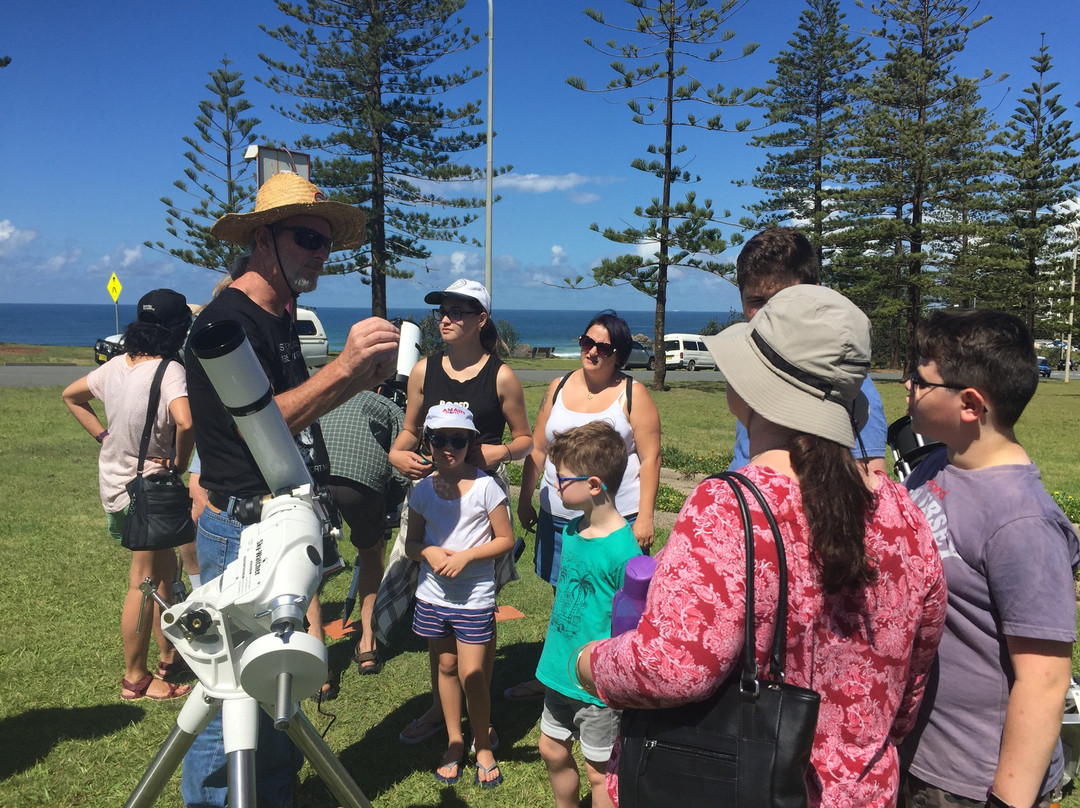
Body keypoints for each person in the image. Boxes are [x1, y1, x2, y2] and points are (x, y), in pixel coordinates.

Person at [577, 284, 947, 807]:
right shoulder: (905, 514)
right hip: (865, 791)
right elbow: (912, 679)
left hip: (736, 785)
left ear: (754, 388)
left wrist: (594, 662)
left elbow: (674, 667)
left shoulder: (728, 508)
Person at [180, 171, 400, 808]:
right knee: (228, 707)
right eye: (307, 238)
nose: (321, 255)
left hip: (274, 525)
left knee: (275, 686)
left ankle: (271, 794)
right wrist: (347, 370)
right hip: (241, 533)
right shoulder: (227, 323)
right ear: (260, 239)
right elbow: (260, 430)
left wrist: (354, 383)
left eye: (327, 243)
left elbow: (287, 418)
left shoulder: (280, 317)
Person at [899, 309, 1080, 808]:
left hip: (972, 784)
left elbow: (1045, 679)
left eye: (921, 378)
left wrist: (1008, 800)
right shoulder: (936, 465)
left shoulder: (1022, 523)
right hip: (917, 754)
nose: (907, 386)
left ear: (971, 404)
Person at [381, 277, 532, 744]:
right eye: (442, 310)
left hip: (485, 500)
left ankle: (478, 710)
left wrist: (499, 453)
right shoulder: (426, 370)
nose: (446, 318)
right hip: (433, 496)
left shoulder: (501, 375)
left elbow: (526, 440)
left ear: (481, 319)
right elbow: (408, 431)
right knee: (434, 600)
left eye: (459, 311)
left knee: (479, 605)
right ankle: (439, 706)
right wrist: (395, 454)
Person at [510, 309, 661, 701]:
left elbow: (650, 457)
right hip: (559, 517)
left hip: (613, 522)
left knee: (613, 606)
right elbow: (540, 448)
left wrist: (644, 518)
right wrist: (526, 498)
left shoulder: (633, 393)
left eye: (603, 347)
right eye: (586, 342)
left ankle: (609, 681)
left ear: (619, 354)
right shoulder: (558, 385)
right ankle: (558, 676)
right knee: (567, 601)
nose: (592, 352)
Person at [62, 288, 196, 701]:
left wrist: (103, 435)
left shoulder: (116, 365)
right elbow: (186, 422)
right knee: (144, 581)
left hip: (116, 486)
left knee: (161, 574)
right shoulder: (170, 370)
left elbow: (71, 395)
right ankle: (135, 678)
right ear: (178, 331)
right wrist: (178, 460)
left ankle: (166, 655)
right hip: (148, 491)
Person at [404, 403, 514, 788]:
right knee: (446, 669)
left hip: (474, 598)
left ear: (471, 442)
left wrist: (468, 556)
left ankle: (482, 743)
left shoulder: (486, 487)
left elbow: (505, 539)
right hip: (434, 596)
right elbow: (412, 544)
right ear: (427, 442)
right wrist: (428, 553)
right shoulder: (421, 489)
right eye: (439, 439)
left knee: (473, 673)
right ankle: (454, 741)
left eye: (459, 440)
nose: (449, 447)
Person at [537, 421, 640, 808]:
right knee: (550, 748)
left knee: (600, 772)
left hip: (596, 686)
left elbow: (632, 628)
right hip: (557, 669)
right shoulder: (572, 530)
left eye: (562, 479)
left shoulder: (624, 553)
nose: (556, 485)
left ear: (594, 485)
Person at [727, 227, 888, 475]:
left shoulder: (844, 387)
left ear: (817, 293)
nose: (771, 315)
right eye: (757, 302)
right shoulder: (755, 376)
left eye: (784, 299)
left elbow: (867, 487)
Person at [321, 388, 408, 675]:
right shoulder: (386, 405)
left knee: (309, 561)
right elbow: (400, 463)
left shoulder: (325, 394)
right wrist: (392, 502)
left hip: (315, 479)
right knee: (371, 552)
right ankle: (367, 643)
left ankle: (315, 654)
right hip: (361, 483)